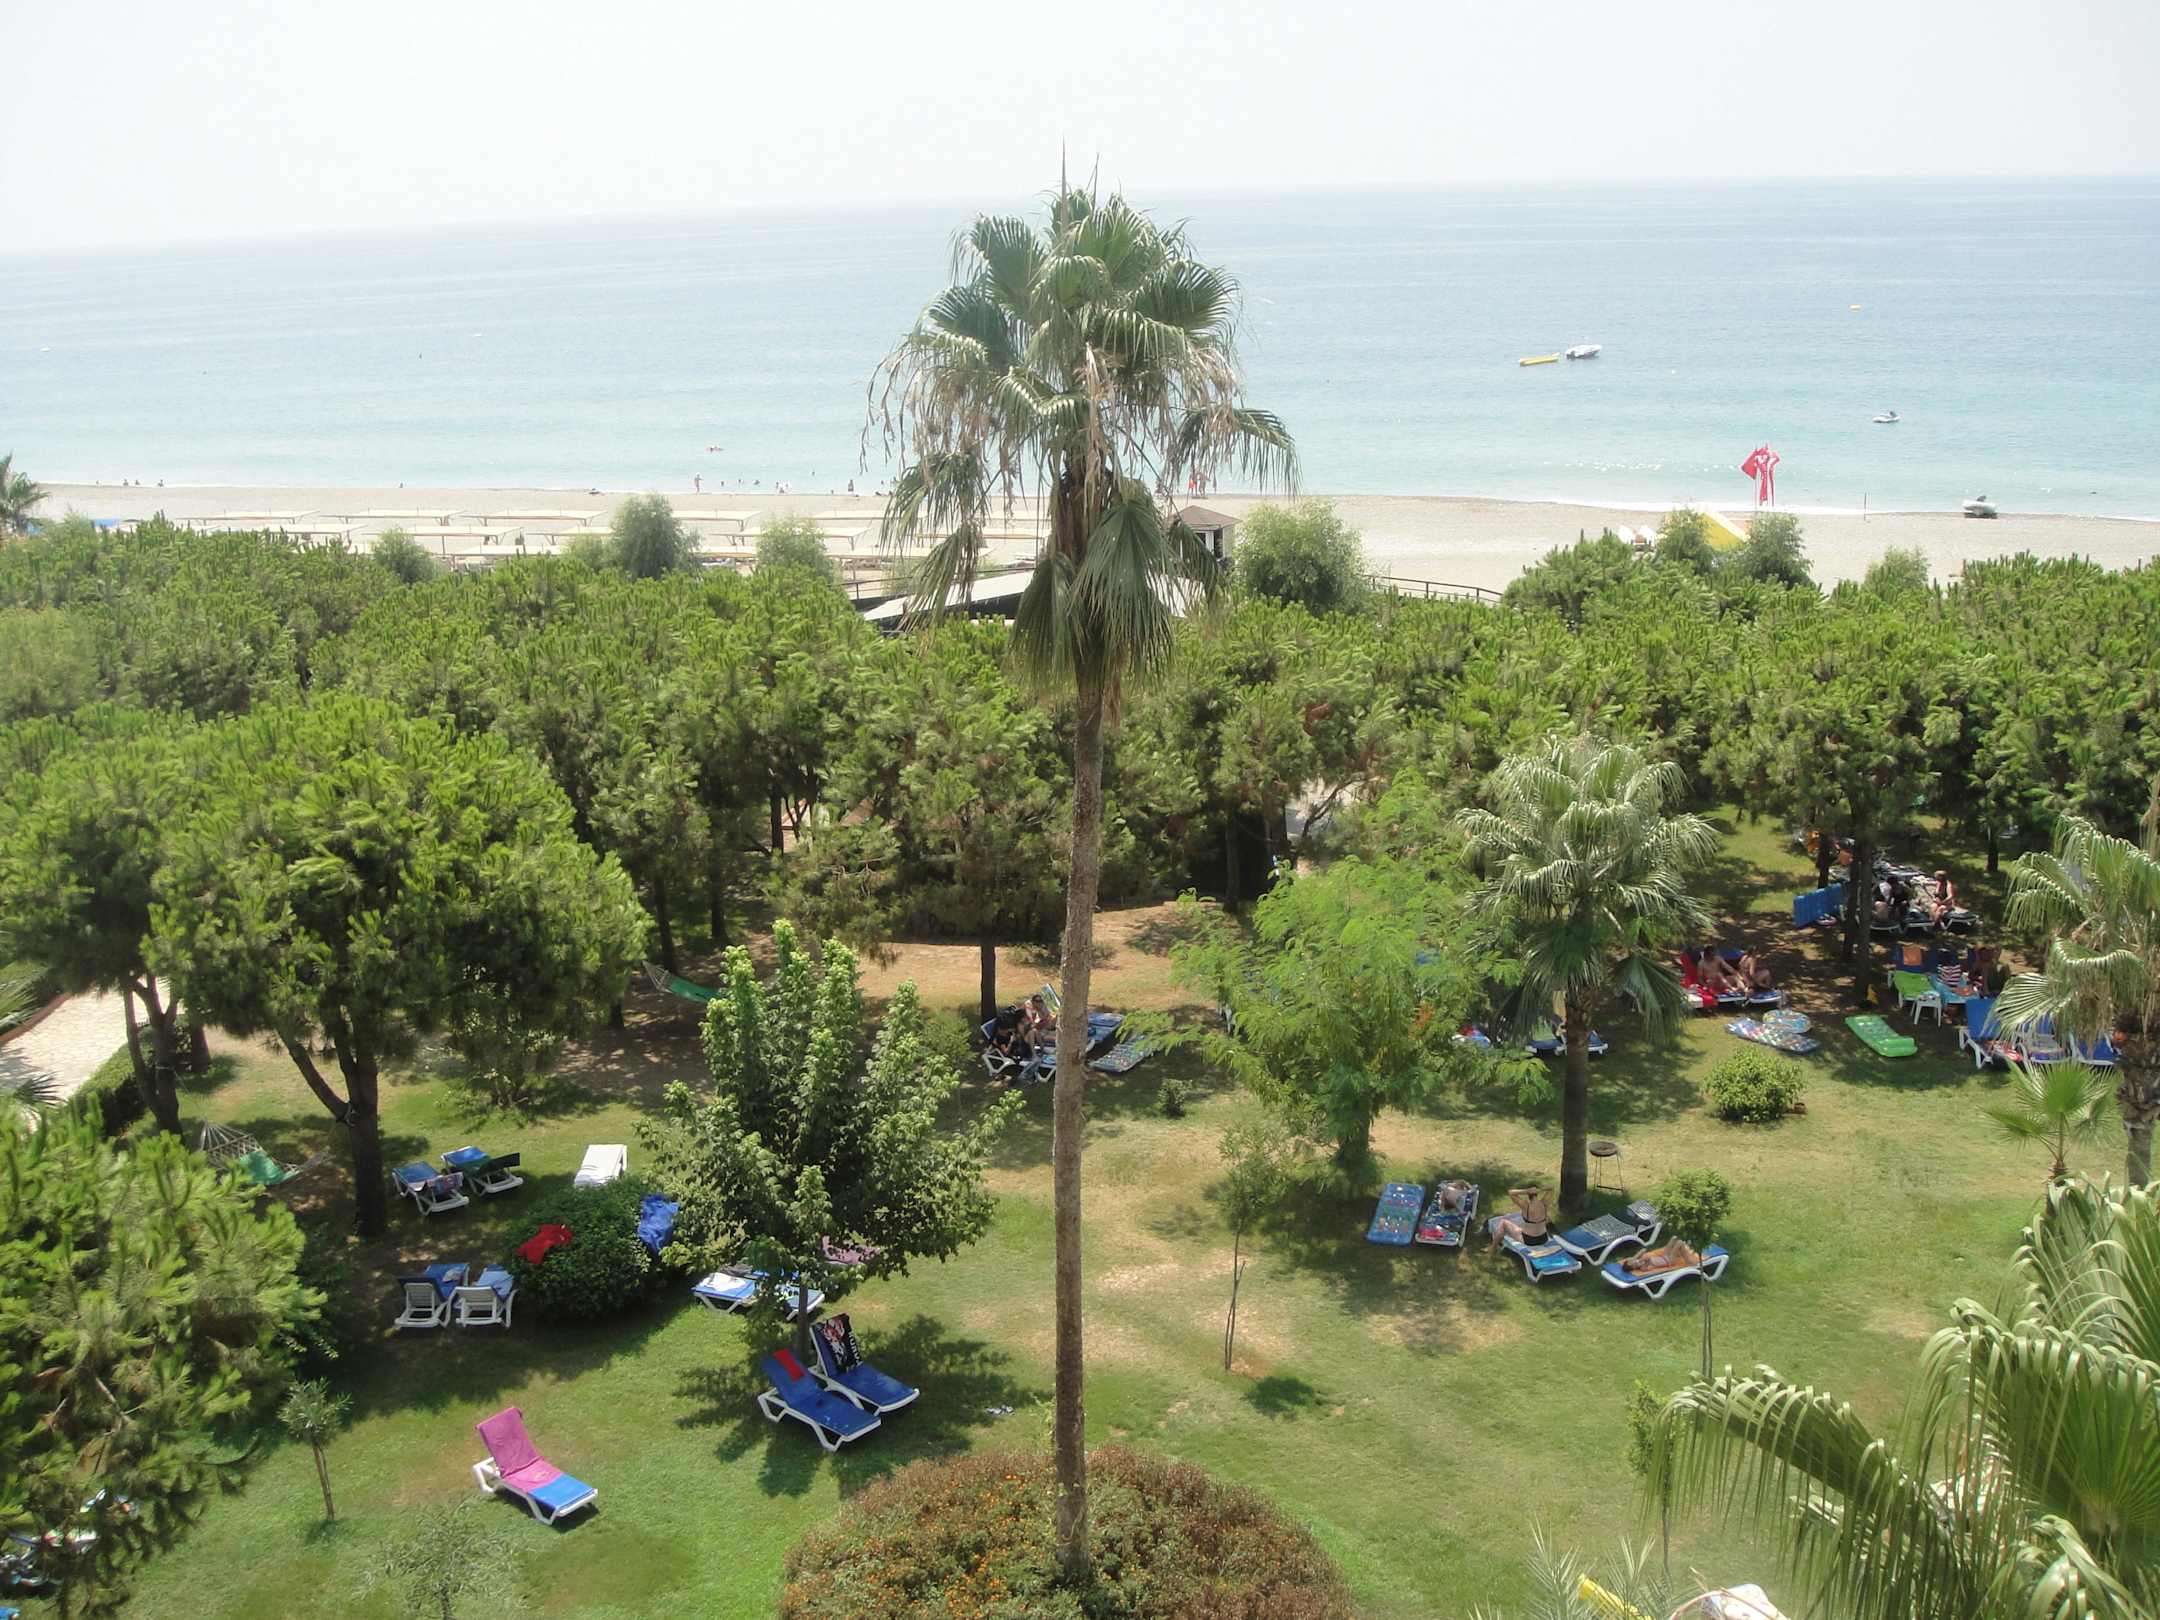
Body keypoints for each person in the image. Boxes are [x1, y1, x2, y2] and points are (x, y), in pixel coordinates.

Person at [1489, 1185, 1550, 1251]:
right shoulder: (1544, 1203)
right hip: (1543, 1238)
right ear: (1537, 1194)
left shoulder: (1526, 1206)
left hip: (1530, 1240)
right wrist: (1540, 1189)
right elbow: (1551, 1188)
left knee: (1504, 1223)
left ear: (1528, 1195)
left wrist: (1526, 1191)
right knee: (1523, 1227)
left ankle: (1492, 1249)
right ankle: (1492, 1249)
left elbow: (1510, 1192)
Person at [1622, 1238, 1699, 1276]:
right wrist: (1639, 1261)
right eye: (1632, 1263)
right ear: (1633, 1267)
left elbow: (1643, 1250)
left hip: (1664, 1256)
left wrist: (1635, 1258)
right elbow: (1647, 1259)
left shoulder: (1638, 1260)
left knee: (1674, 1238)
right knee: (1679, 1243)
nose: (1633, 1261)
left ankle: (1685, 1249)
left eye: (1631, 1261)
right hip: (1669, 1261)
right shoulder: (1642, 1268)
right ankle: (1688, 1261)